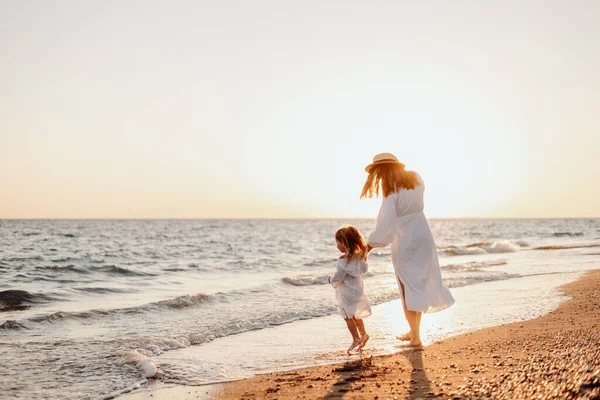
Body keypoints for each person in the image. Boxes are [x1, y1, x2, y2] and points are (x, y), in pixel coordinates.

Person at [362, 153, 454, 347]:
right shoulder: (416, 178)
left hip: (405, 240)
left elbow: (386, 224)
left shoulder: (390, 189)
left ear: (382, 170)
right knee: (417, 286)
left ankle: (415, 337)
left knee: (406, 288)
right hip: (423, 234)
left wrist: (369, 245)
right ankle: (414, 332)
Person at [329, 225, 372, 354]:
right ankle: (363, 335)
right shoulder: (359, 258)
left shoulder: (342, 262)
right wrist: (364, 259)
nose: (337, 246)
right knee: (356, 314)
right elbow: (364, 270)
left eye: (338, 243)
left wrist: (330, 280)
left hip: (346, 293)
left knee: (347, 316)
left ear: (345, 243)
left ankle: (356, 338)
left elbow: (338, 278)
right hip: (357, 291)